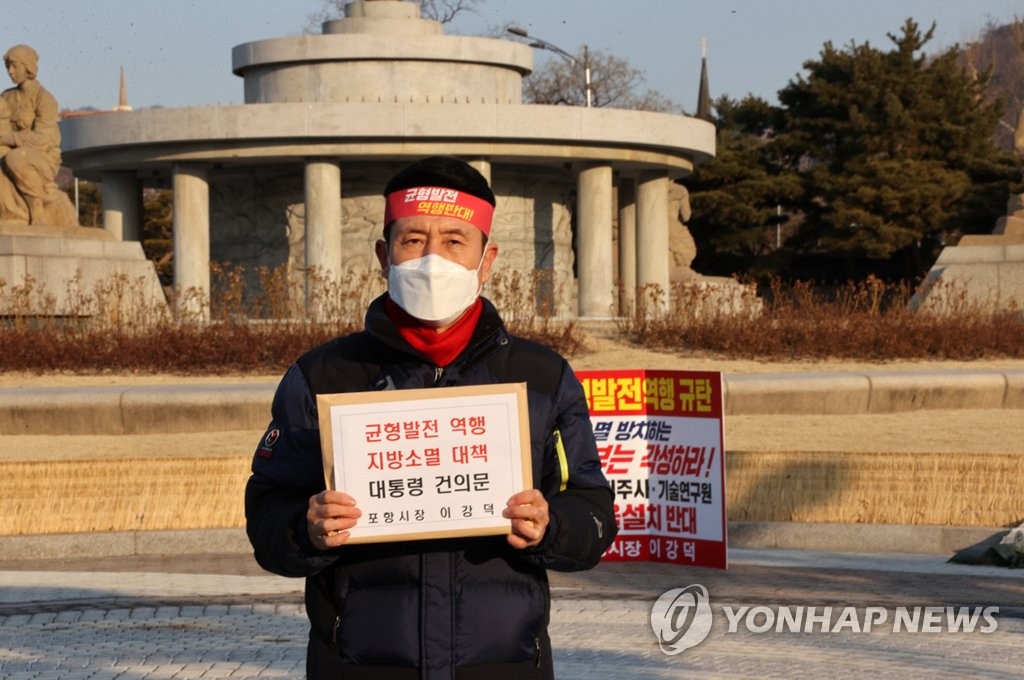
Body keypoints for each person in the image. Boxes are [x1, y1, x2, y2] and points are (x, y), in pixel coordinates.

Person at [245, 156, 617, 679]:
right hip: (359, 666)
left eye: (454, 241)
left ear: (486, 261)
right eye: (413, 240)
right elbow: (266, 518)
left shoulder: (543, 378)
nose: (431, 259)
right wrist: (306, 529)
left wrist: (552, 527)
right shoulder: (322, 376)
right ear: (384, 255)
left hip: (502, 667)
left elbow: (594, 514)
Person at [0, 44, 71, 225]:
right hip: (11, 150)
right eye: (8, 66)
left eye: (15, 66)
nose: (10, 71)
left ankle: (36, 209)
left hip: (42, 157)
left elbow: (42, 138)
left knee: (16, 158)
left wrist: (8, 138)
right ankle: (11, 213)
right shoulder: (6, 97)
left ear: (28, 67)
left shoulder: (44, 98)